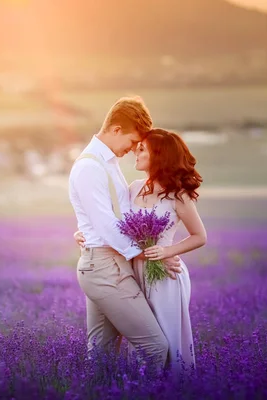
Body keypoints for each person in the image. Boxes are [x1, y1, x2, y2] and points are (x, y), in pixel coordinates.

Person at [74, 128, 207, 373]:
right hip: (133, 270)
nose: (136, 150)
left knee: (167, 340)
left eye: (142, 148)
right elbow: (109, 219)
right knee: (143, 342)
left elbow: (200, 236)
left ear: (159, 156)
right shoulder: (133, 188)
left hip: (164, 276)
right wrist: (83, 234)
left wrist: (167, 252)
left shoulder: (178, 196)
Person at [68, 97, 181, 370]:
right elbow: (107, 226)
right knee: (155, 348)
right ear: (116, 130)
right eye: (132, 142)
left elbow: (115, 216)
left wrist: (85, 231)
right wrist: (154, 255)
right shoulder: (90, 167)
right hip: (105, 268)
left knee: (102, 356)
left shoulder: (108, 164)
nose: (133, 150)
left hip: (110, 263)